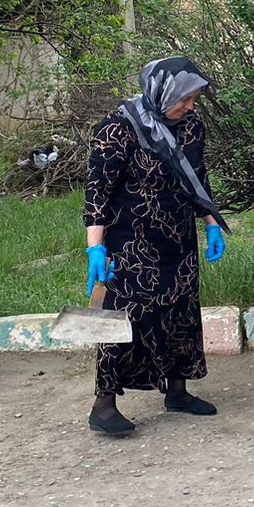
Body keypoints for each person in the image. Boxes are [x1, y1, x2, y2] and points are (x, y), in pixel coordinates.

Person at [83, 57, 228, 435]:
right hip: (130, 239)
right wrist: (94, 248)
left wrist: (211, 222)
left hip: (177, 236)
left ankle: (177, 391)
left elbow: (198, 178)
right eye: (186, 99)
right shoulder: (118, 129)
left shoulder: (192, 125)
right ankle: (103, 405)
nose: (191, 106)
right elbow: (97, 193)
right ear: (163, 92)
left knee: (181, 308)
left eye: (194, 99)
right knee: (125, 316)